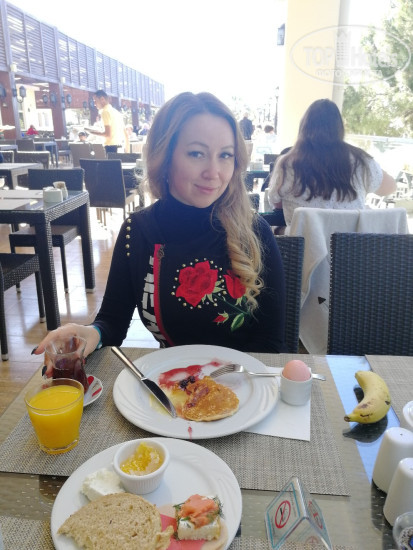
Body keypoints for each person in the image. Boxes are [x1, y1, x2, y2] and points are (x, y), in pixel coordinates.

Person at [34, 91, 287, 373]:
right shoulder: (137, 231)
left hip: (244, 387)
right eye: (197, 153)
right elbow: (112, 323)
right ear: (164, 157)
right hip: (171, 387)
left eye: (225, 155)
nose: (214, 172)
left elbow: (271, 343)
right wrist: (91, 333)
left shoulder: (255, 233)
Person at [268, 98, 397, 232]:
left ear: (303, 127)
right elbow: (390, 188)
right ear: (339, 128)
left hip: (302, 243)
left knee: (276, 230)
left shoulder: (287, 162)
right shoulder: (361, 161)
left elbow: (276, 203)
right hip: (350, 244)